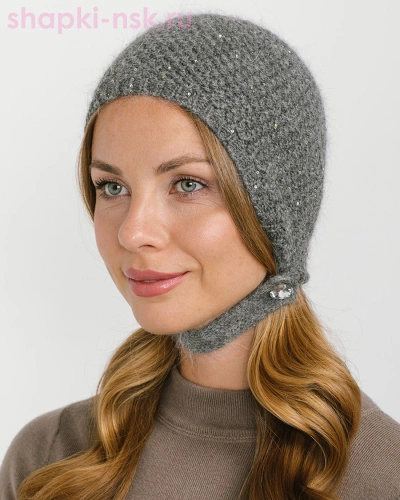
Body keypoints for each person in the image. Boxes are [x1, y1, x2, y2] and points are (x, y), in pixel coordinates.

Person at [1, 13, 399, 500]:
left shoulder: (382, 475)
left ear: (277, 209)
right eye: (112, 187)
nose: (133, 232)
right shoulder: (49, 457)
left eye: (188, 184)